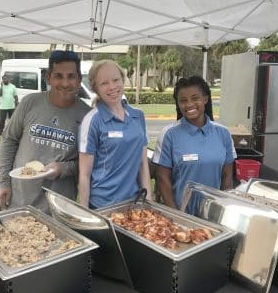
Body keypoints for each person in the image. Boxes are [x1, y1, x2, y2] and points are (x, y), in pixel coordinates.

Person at [0, 50, 91, 212]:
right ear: (48, 78)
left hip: (60, 207)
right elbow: (9, 140)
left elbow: (89, 163)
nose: (65, 83)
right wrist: (3, 183)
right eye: (58, 76)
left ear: (79, 79)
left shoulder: (88, 116)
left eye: (71, 76)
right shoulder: (30, 103)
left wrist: (63, 168)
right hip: (20, 200)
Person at [152, 76, 236, 214]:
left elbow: (227, 176)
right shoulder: (169, 134)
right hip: (181, 212)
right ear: (178, 104)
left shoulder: (223, 133)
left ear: (205, 99)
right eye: (183, 100)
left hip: (213, 214)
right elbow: (162, 178)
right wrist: (176, 215)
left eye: (195, 98)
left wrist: (224, 210)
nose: (189, 104)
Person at [78, 60, 152, 209]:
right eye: (104, 83)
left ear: (123, 80)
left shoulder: (138, 116)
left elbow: (143, 163)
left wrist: (148, 199)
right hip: (103, 206)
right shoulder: (92, 120)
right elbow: (85, 175)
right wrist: (84, 212)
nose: (112, 87)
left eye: (116, 80)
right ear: (95, 88)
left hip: (134, 202)